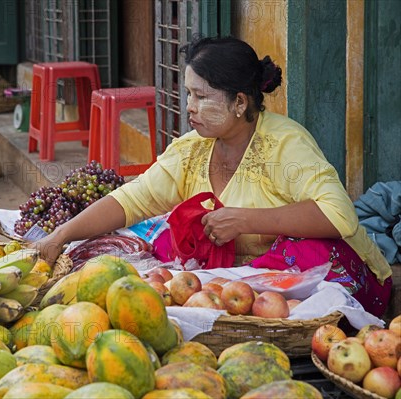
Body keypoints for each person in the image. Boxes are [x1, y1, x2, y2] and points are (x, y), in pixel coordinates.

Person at [35, 35, 392, 317]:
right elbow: (133, 199)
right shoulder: (193, 149)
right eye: (188, 93)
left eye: (202, 96)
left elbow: (339, 215)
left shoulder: (285, 144)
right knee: (160, 239)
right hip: (242, 286)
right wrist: (60, 235)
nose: (189, 106)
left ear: (239, 102)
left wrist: (244, 221)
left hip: (306, 281)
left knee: (311, 253)